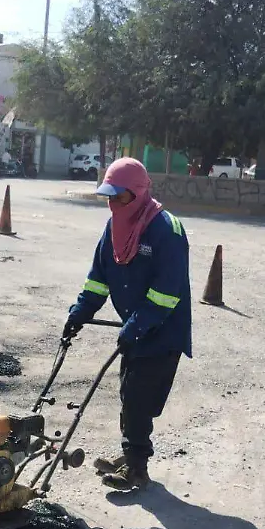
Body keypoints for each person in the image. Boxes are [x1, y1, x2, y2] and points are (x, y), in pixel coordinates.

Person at [63, 157, 192, 491]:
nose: (113, 203)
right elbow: (99, 278)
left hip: (163, 331)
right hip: (135, 329)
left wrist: (136, 326)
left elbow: (167, 292)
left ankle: (137, 469)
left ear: (138, 193)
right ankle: (131, 454)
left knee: (138, 397)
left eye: (119, 196)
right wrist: (80, 313)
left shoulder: (166, 229)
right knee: (129, 393)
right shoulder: (114, 227)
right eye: (109, 196)